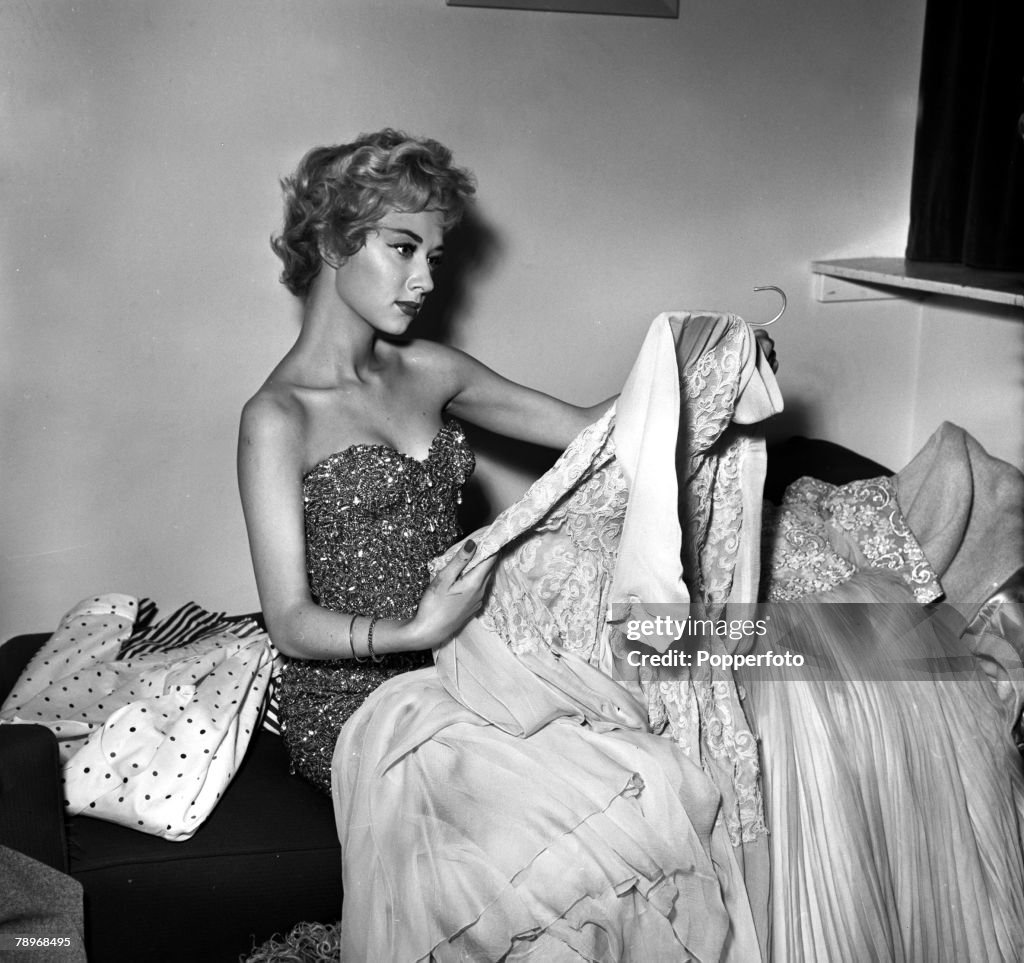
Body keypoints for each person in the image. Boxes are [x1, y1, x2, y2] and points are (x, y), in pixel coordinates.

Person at [238, 129, 763, 960]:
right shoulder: (278, 418)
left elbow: (596, 434)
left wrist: (696, 368)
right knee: (542, 847)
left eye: (435, 257)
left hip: (476, 658)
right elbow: (291, 621)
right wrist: (415, 631)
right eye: (403, 247)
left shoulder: (432, 370)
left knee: (656, 780)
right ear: (336, 241)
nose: (424, 280)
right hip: (359, 695)